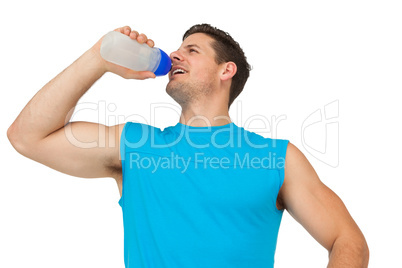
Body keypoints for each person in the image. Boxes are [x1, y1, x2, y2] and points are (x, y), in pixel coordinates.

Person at [7, 24, 369, 267]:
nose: (174, 56)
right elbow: (26, 136)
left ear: (226, 70)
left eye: (191, 50)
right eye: (177, 50)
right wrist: (98, 59)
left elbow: (346, 240)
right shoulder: (135, 146)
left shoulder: (276, 158)